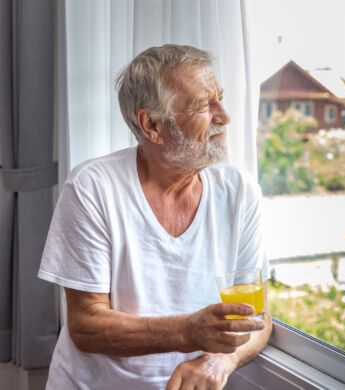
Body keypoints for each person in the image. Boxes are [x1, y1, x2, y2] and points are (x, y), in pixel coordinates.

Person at [38, 44, 272, 390]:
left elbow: (259, 318)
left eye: (219, 98)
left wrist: (220, 360)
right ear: (152, 125)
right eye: (204, 105)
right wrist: (188, 331)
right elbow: (86, 324)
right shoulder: (92, 187)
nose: (223, 115)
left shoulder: (239, 192)